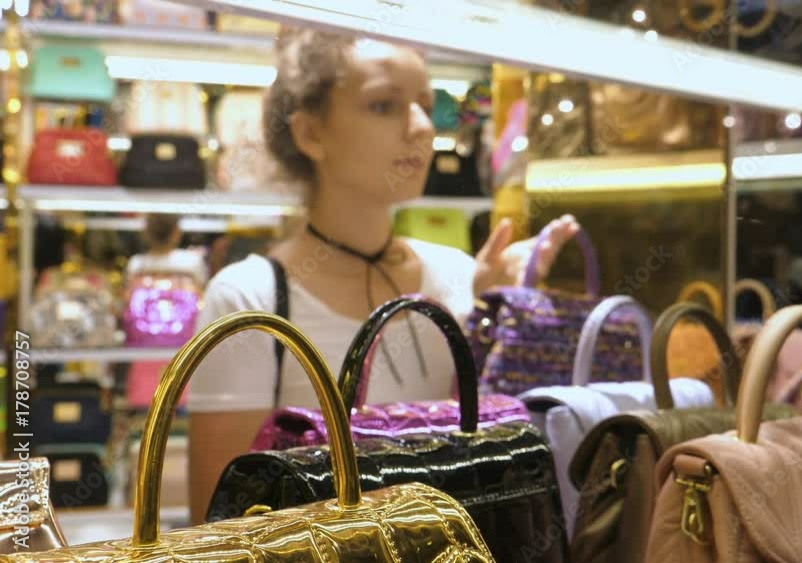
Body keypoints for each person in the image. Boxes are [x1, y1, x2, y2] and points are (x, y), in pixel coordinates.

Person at [186, 28, 580, 523]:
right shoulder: (249, 298)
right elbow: (219, 523)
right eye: (384, 106)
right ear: (311, 134)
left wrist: (498, 318)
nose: (421, 126)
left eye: (426, 105)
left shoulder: (460, 275)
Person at [125, 213, 208, 286]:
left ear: (146, 232)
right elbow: (201, 290)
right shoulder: (192, 261)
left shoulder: (136, 264)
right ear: (176, 232)